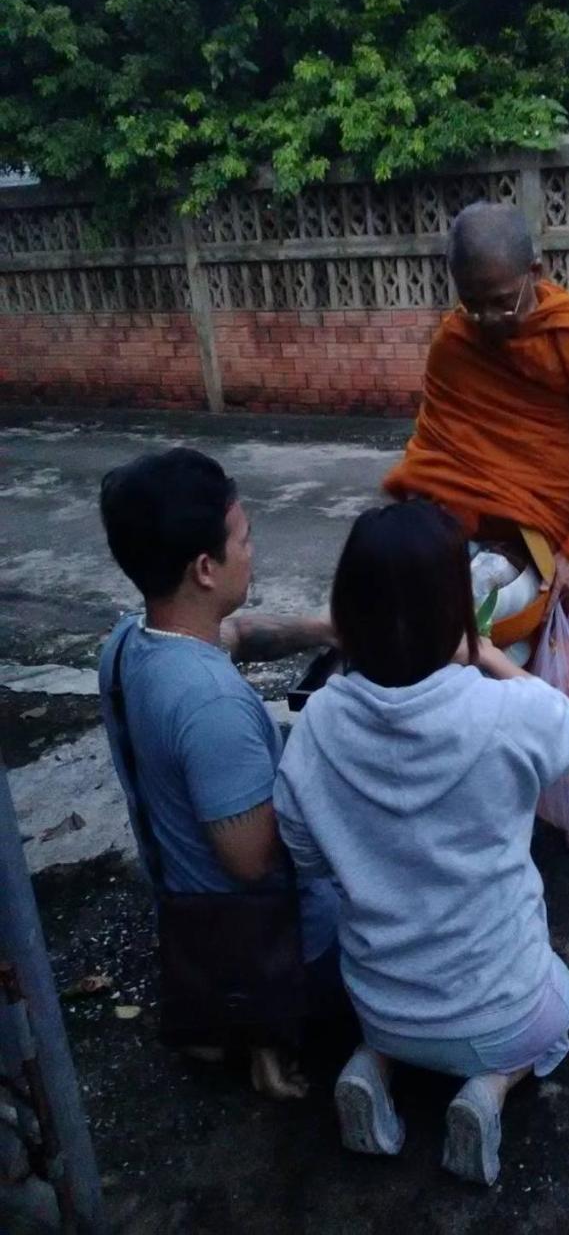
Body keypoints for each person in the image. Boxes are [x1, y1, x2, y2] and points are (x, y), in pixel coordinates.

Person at [273, 500, 569, 1185]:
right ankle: (488, 1092)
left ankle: (371, 1065)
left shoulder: (322, 719)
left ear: (347, 611)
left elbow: (304, 856)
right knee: (562, 999)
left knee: (400, 1003)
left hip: (378, 1004)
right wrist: (484, 656)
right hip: (498, 1013)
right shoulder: (503, 712)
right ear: (457, 607)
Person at [382, 201, 569, 850]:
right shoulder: (455, 341)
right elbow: (440, 436)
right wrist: (420, 513)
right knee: (480, 655)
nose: (490, 321)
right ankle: (502, 785)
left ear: (537, 270)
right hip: (485, 525)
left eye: (503, 301)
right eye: (474, 304)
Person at [98, 447, 342, 1099]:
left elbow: (241, 635)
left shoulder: (129, 644)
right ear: (206, 568)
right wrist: (335, 752)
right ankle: (261, 1027)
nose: (253, 549)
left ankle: (228, 1015)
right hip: (273, 952)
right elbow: (253, 863)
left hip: (186, 920)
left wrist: (328, 628)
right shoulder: (212, 708)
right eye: (244, 538)